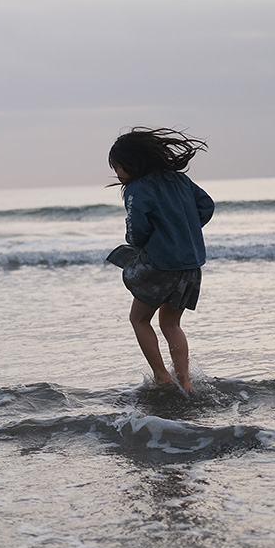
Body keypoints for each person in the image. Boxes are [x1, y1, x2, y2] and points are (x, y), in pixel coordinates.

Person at [107, 127, 215, 392]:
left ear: (132, 163)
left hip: (161, 265)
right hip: (190, 264)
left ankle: (161, 375)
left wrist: (139, 239)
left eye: (118, 167)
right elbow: (206, 205)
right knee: (171, 322)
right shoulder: (180, 180)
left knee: (139, 319)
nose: (117, 174)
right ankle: (185, 381)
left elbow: (137, 229)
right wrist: (184, 230)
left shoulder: (137, 188)